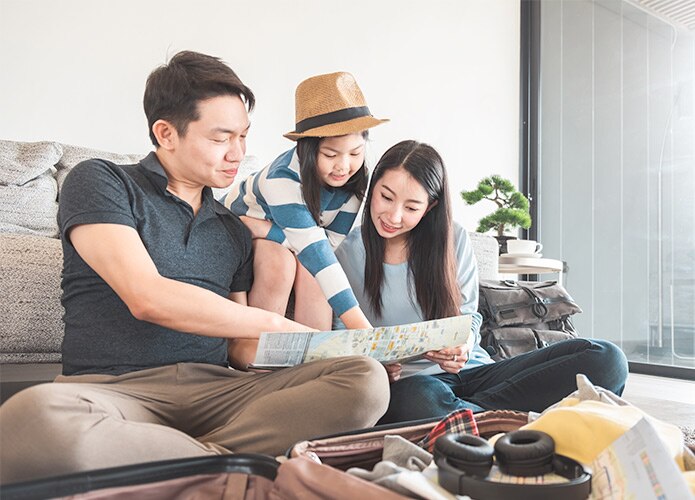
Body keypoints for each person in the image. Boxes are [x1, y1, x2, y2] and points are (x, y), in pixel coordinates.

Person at [0, 51, 389, 484]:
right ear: (166, 133)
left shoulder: (233, 229)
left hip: (219, 394)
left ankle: (182, 464)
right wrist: (277, 325)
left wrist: (327, 351)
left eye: (243, 136)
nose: (238, 153)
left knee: (365, 379)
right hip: (113, 392)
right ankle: (232, 464)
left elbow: (239, 349)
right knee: (32, 417)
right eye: (222, 138)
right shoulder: (102, 182)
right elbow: (146, 297)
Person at [335, 140, 628, 424]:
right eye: (386, 197)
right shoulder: (345, 251)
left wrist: (464, 344)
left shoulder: (453, 238)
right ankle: (520, 422)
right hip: (409, 386)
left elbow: (469, 316)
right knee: (422, 399)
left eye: (411, 208)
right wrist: (375, 363)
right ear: (372, 189)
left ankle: (476, 421)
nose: (394, 215)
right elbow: (337, 333)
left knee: (606, 359)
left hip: (476, 375)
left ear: (430, 207)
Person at [223, 72, 388, 348]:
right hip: (239, 229)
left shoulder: (355, 184)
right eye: (331, 155)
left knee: (315, 274)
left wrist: (270, 231)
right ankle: (258, 356)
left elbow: (328, 246)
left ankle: (314, 360)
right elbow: (315, 251)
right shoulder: (281, 179)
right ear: (308, 151)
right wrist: (365, 334)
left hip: (275, 231)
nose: (344, 166)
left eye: (356, 153)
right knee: (281, 264)